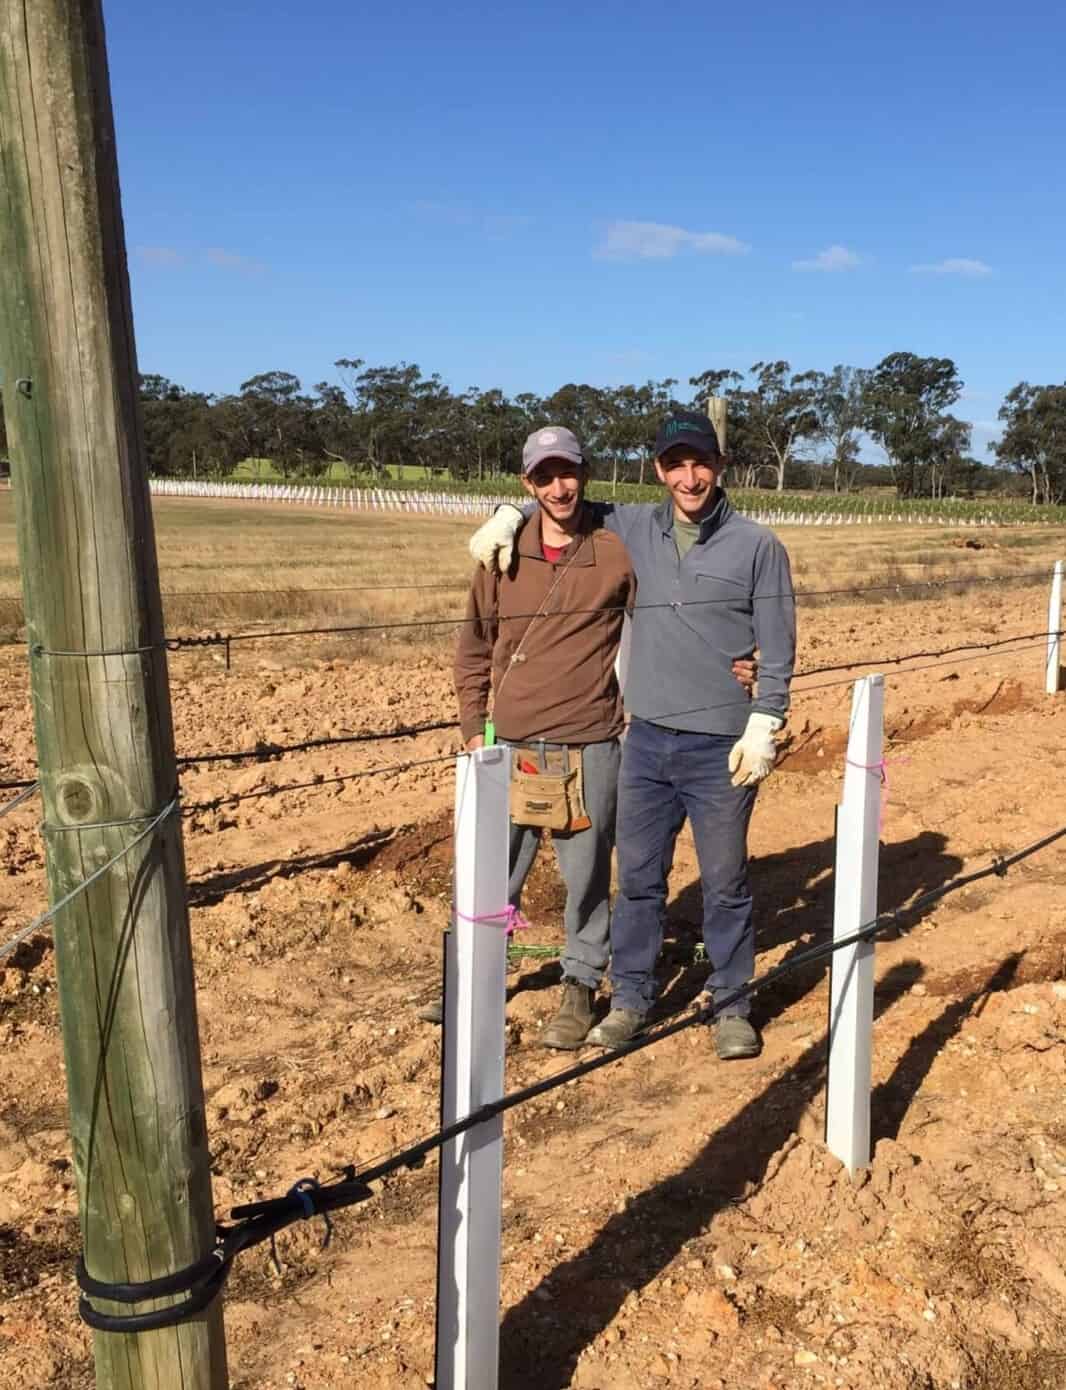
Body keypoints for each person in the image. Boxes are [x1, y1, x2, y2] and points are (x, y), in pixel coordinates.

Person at [469, 409, 796, 1059]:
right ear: (658, 471)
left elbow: (779, 646)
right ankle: (631, 1001)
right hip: (645, 740)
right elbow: (563, 505)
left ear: (720, 467)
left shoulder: (758, 547)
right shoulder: (634, 526)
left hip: (720, 745)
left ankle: (732, 1004)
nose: (689, 478)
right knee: (639, 881)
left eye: (700, 463)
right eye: (676, 465)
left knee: (726, 882)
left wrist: (766, 717)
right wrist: (508, 515)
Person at [429, 425, 636, 1049]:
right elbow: (474, 645)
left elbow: (671, 612)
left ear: (585, 473)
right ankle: (474, 972)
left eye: (567, 472)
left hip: (588, 743)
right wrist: (474, 729)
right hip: (510, 746)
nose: (558, 487)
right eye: (543, 477)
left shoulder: (616, 550)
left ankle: (580, 984)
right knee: (490, 872)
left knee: (588, 879)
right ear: (527, 482)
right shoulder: (502, 553)